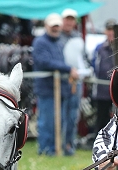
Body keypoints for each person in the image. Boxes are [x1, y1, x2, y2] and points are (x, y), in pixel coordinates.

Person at [32, 13, 79, 156]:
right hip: (47, 90)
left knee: (62, 122)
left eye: (57, 26)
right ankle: (46, 150)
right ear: (46, 26)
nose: (55, 28)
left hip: (62, 89)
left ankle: (59, 148)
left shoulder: (60, 43)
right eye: (53, 26)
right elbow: (44, 62)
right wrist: (68, 69)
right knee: (47, 123)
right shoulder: (40, 42)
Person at [60, 9, 89, 155]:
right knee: (60, 117)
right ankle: (59, 146)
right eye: (67, 19)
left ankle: (69, 146)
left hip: (75, 84)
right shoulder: (56, 37)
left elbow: (84, 60)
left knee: (73, 117)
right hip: (60, 83)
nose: (69, 22)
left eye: (72, 19)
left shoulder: (78, 38)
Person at [91, 19, 117, 134]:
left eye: (113, 30)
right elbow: (93, 66)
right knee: (101, 119)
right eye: (109, 29)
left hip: (117, 90)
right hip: (102, 91)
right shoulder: (99, 48)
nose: (111, 32)